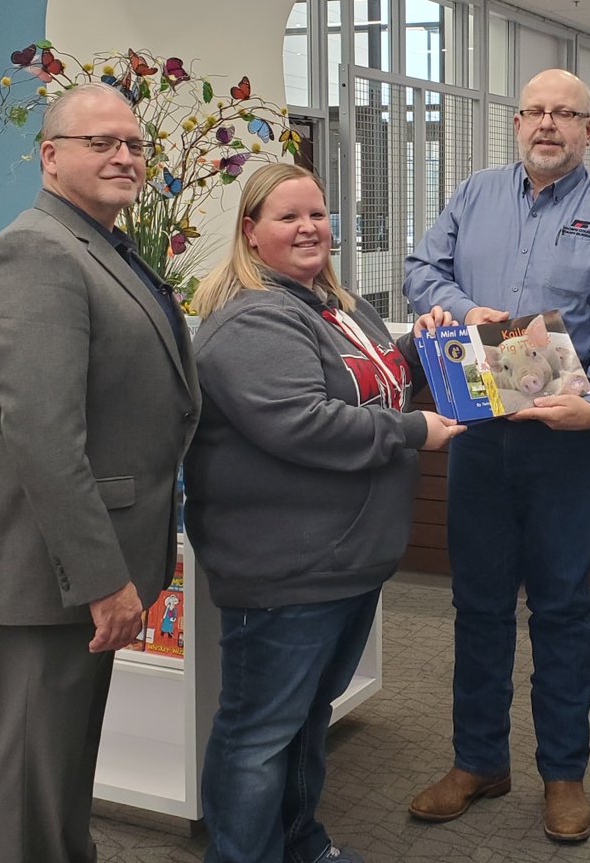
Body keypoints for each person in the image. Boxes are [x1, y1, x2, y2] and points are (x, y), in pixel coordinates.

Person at [0, 84, 200, 863]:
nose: (124, 155)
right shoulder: (37, 253)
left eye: (133, 143)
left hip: (72, 568)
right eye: (102, 142)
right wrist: (101, 578)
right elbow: (44, 438)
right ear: (51, 156)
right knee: (35, 796)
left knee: (59, 782)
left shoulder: (99, 242)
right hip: (42, 574)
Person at [183, 162, 465, 863]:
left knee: (304, 720)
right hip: (286, 566)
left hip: (341, 560)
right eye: (288, 217)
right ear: (250, 232)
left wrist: (423, 346)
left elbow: (368, 380)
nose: (309, 228)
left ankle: (298, 844)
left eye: (317, 214)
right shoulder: (252, 318)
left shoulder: (329, 302)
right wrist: (413, 433)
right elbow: (302, 422)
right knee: (257, 734)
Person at [403, 68, 590, 843]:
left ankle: (562, 775)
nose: (548, 125)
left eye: (565, 115)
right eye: (537, 112)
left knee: (559, 609)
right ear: (517, 122)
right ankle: (478, 761)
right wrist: (456, 304)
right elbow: (421, 271)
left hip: (562, 443)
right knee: (476, 605)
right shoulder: (474, 194)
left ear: (588, 130)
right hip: (478, 434)